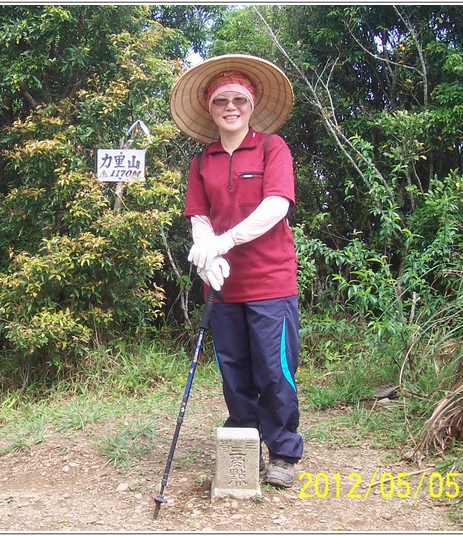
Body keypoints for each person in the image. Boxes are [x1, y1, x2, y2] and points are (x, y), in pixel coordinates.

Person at [169, 54, 302, 488]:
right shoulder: (201, 161)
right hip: (222, 286)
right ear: (209, 107)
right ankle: (244, 442)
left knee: (274, 368)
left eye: (239, 99)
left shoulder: (271, 147)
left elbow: (276, 206)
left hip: (270, 280)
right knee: (233, 368)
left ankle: (282, 451)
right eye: (221, 100)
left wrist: (225, 242)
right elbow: (199, 216)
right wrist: (206, 253)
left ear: (252, 102)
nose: (230, 106)